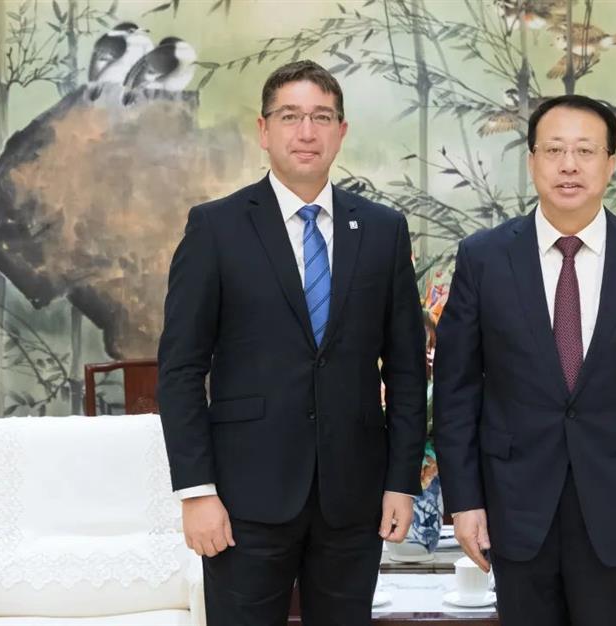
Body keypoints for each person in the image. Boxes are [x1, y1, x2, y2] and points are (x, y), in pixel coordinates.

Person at [157, 60, 427, 626]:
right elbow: (180, 369)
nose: (307, 132)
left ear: (341, 132)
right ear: (263, 130)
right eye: (290, 116)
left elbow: (406, 370)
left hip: (353, 498)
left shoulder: (383, 230)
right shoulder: (216, 228)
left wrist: (402, 483)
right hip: (243, 499)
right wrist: (196, 491)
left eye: (322, 117)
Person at [433, 94, 616, 626]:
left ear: (611, 162)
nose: (569, 165)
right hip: (516, 505)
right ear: (532, 159)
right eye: (554, 149)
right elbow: (456, 393)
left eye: (585, 151)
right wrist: (464, 502)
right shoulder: (484, 257)